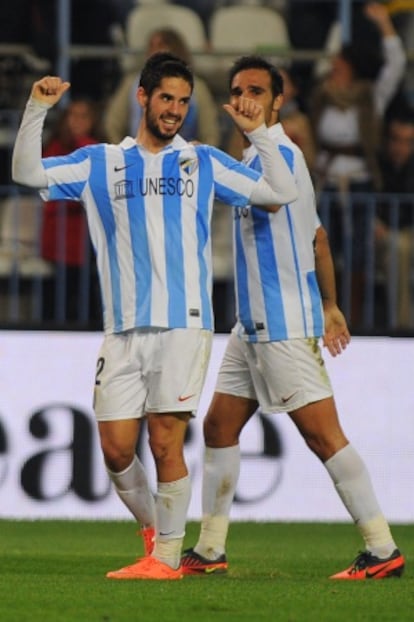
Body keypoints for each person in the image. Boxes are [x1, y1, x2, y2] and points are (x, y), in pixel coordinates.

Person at [12, 52, 297, 580]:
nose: (175, 110)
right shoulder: (101, 162)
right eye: (166, 98)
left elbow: (282, 192)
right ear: (142, 97)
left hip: (182, 324)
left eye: (184, 102)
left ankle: (167, 559)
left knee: (165, 439)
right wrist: (37, 108)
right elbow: (26, 172)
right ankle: (156, 536)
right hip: (121, 330)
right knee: (117, 448)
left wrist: (261, 135)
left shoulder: (203, 161)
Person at [181, 55, 405, 581]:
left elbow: (275, 204)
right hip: (250, 327)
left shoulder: (279, 154)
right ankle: (211, 550)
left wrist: (199, 156)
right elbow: (318, 237)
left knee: (324, 436)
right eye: (237, 91)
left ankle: (381, 548)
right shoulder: (271, 156)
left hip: (281, 325)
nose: (245, 99)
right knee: (218, 426)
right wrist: (331, 305)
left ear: (279, 101)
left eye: (257, 90)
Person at [309, 1, 406, 325]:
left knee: (358, 253)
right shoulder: (322, 95)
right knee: (321, 249)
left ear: (351, 66)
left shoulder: (369, 98)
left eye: (341, 63)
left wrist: (385, 26)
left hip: (359, 181)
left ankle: (355, 317)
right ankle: (323, 313)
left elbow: (396, 65)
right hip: (326, 182)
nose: (335, 67)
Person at [41, 98, 103, 324]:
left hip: (87, 239)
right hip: (59, 235)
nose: (77, 121)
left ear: (93, 121)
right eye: (72, 116)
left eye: (83, 116)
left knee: (88, 297)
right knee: (58, 300)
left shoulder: (97, 149)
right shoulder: (54, 149)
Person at [104, 27, 220, 146]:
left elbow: (210, 134)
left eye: (160, 45)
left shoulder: (199, 88)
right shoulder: (131, 83)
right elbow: (113, 124)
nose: (154, 51)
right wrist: (123, 154)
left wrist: (199, 157)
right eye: (151, 46)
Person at [376, 106, 414, 329]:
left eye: (408, 141)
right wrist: (375, 222)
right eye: (396, 140)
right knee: (398, 247)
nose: (401, 147)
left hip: (410, 231)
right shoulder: (378, 164)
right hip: (385, 234)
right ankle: (402, 326)